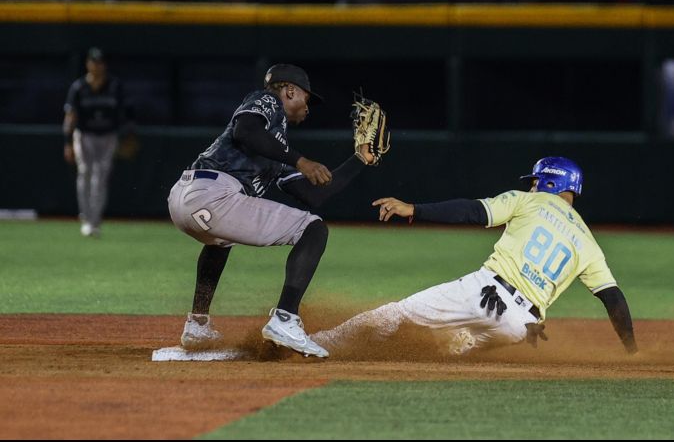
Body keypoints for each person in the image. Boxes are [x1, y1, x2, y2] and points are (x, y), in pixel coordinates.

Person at [311, 157, 638, 356]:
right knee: (449, 347)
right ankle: (456, 343)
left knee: (394, 315)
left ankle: (316, 343)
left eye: (537, 180)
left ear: (551, 181)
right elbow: (614, 300)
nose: (533, 185)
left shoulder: (529, 201)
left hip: (485, 295)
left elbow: (471, 212)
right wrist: (632, 351)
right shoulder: (588, 242)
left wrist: (415, 209)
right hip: (522, 328)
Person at [167, 64, 379, 358]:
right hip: (212, 194)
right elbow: (245, 131)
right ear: (289, 90)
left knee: (221, 240)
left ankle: (197, 324)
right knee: (314, 228)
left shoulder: (275, 147)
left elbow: (313, 195)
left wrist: (361, 159)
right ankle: (285, 319)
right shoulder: (268, 101)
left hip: (187, 198)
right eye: (306, 98)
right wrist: (301, 160)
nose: (308, 107)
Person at [63, 47, 127, 238]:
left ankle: (95, 220)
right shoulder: (79, 87)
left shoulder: (115, 86)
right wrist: (67, 142)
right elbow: (70, 116)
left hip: (108, 136)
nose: (96, 65)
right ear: (87, 64)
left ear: (104, 65)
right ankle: (86, 218)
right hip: (85, 135)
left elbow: (123, 115)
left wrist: (124, 137)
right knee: (85, 173)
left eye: (100, 62)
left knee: (101, 177)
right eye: (93, 61)